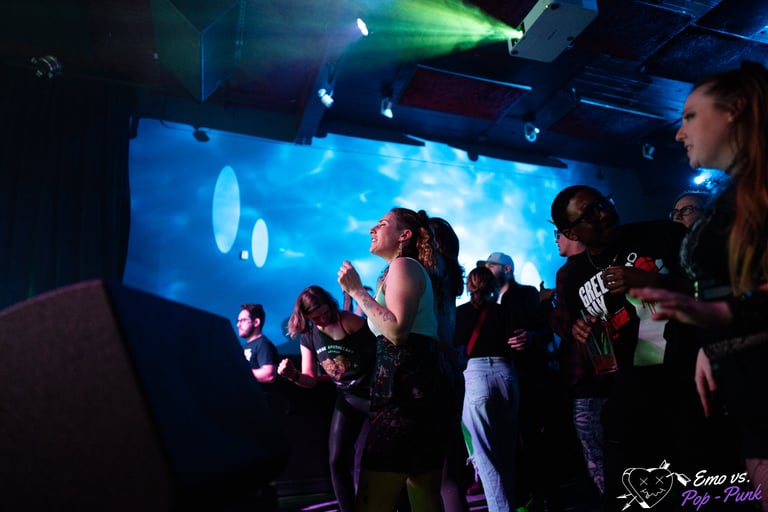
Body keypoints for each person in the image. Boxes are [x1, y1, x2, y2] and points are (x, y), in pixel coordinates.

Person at [631, 61, 768, 511]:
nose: (679, 133)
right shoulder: (737, 194)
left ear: (734, 111)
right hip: (746, 380)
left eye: (690, 116)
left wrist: (722, 316)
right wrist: (714, 344)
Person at [549, 185, 689, 511]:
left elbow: (715, 291)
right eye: (590, 213)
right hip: (630, 396)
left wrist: (655, 283)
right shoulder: (574, 276)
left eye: (603, 202)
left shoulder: (661, 234)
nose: (604, 213)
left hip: (686, 383)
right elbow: (586, 328)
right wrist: (581, 331)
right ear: (571, 233)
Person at [338, 207, 446, 512]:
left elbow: (397, 331)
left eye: (382, 224)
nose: (372, 230)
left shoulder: (403, 266)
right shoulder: (397, 271)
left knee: (373, 502)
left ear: (404, 235)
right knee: (423, 496)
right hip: (414, 396)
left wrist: (357, 291)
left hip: (404, 400)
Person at [278, 286, 377, 512]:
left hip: (372, 398)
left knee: (365, 463)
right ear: (306, 317)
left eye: (325, 313)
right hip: (348, 399)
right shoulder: (308, 337)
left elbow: (381, 351)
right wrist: (293, 376)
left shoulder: (347, 321)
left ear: (331, 306)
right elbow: (310, 380)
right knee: (337, 461)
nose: (323, 319)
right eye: (316, 317)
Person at [455, 265, 520, 512]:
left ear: (469, 286)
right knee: (507, 452)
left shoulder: (459, 314)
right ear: (492, 286)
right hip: (506, 374)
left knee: (485, 456)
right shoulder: (505, 311)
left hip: (475, 376)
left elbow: (455, 348)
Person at [428, 217, 470, 512]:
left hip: (436, 365)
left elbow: (431, 326)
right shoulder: (451, 271)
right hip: (449, 367)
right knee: (446, 469)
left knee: (440, 471)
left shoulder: (432, 270)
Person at [238, 303, 278, 383]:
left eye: (243, 320)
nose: (238, 325)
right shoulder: (243, 347)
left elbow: (269, 374)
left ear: (256, 322)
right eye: (238, 321)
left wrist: (238, 373)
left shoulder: (263, 344)